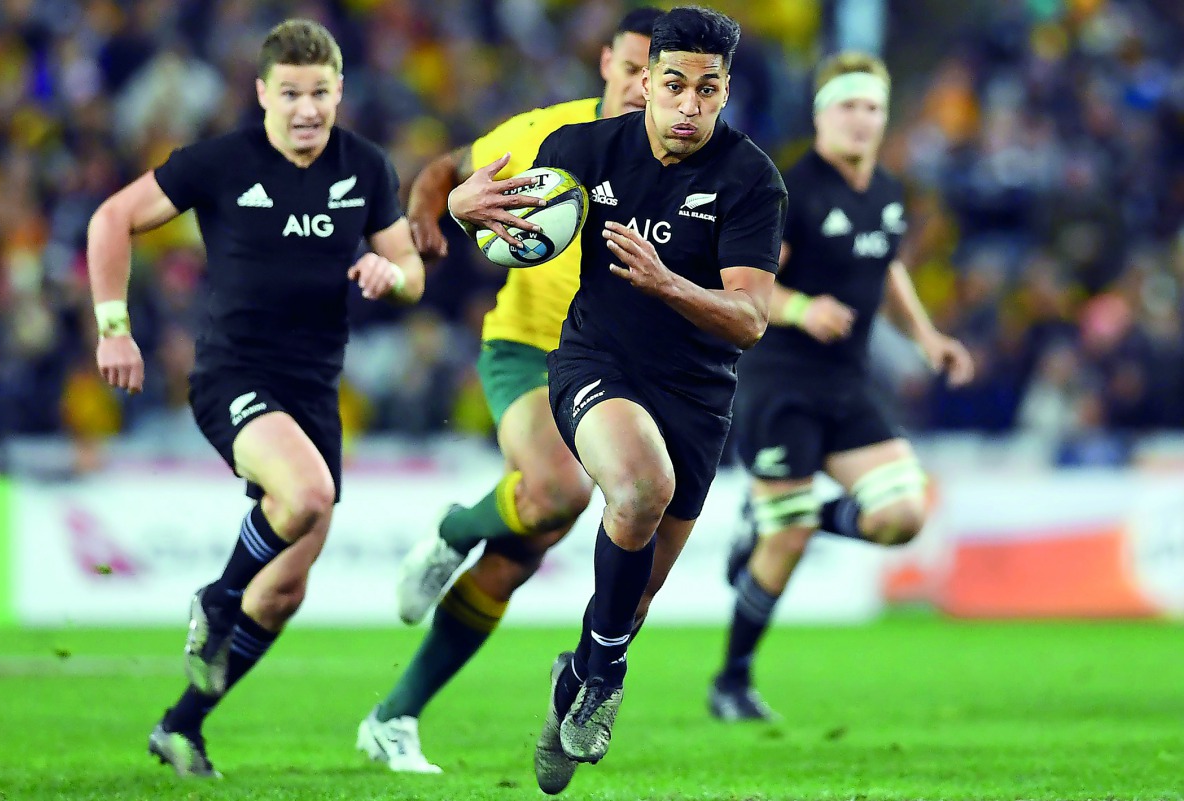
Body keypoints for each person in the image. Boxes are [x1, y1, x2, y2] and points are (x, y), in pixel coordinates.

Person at [449, 7, 786, 793]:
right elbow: (498, 219)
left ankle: (582, 675)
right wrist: (469, 214)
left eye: (708, 89)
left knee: (627, 606)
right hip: (594, 364)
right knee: (638, 485)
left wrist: (670, 283)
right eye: (674, 84)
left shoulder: (749, 180)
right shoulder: (579, 151)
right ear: (645, 81)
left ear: (725, 89)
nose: (689, 104)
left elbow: (750, 319)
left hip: (698, 397)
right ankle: (605, 682)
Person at [86, 19, 424, 777]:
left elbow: (410, 268)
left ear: (339, 90)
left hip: (314, 389)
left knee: (281, 594)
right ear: (264, 93)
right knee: (305, 494)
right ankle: (215, 598)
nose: (307, 109)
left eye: (321, 92)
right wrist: (115, 327)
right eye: (292, 94)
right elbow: (112, 218)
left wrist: (390, 274)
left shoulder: (364, 167)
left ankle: (181, 726)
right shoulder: (219, 162)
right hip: (234, 372)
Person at [357, 8, 664, 775]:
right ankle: (456, 527)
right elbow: (445, 167)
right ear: (605, 63)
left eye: (652, 76)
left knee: (519, 555)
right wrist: (431, 212)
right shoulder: (546, 132)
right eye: (629, 68)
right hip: (529, 350)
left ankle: (392, 716)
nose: (637, 85)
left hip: (619, 372)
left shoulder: (687, 164)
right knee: (557, 490)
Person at [708, 52, 974, 722]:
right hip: (780, 382)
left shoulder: (885, 190)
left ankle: (776, 516)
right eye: (849, 106)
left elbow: (886, 271)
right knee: (786, 540)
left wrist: (928, 337)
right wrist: (802, 309)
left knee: (902, 516)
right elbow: (746, 283)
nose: (862, 120)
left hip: (847, 382)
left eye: (873, 108)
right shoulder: (791, 190)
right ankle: (731, 680)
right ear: (823, 113)